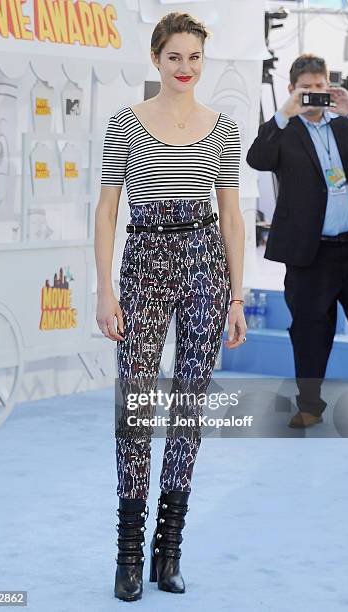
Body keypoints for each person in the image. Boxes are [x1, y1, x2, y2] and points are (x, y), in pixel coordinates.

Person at [94, 11, 246, 602]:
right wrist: (106, 289)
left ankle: (169, 552)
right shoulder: (125, 123)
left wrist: (236, 293)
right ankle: (128, 554)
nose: (186, 68)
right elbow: (108, 210)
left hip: (206, 261)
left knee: (188, 410)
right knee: (134, 406)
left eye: (195, 57)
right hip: (144, 261)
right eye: (175, 56)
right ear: (156, 59)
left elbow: (231, 215)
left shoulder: (223, 128)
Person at [247, 54, 348, 429]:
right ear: (292, 89)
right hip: (310, 255)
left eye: (321, 87)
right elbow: (257, 158)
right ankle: (310, 406)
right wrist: (284, 112)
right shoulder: (284, 130)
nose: (315, 95)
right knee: (309, 333)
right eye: (306, 88)